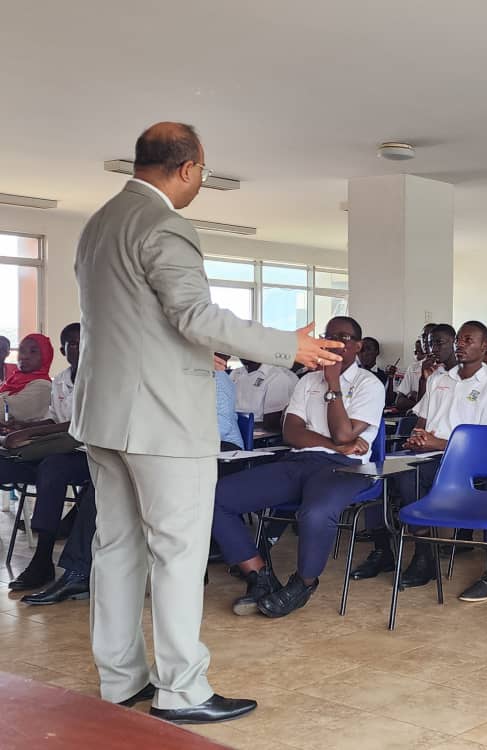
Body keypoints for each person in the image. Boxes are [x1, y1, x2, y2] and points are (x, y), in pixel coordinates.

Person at [71, 122, 339, 723]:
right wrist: (284, 346)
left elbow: (134, 322)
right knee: (178, 554)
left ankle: (120, 682)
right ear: (189, 168)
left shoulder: (99, 224)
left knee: (115, 548)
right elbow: (193, 315)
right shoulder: (165, 224)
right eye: (204, 173)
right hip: (162, 420)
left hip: (104, 414)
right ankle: (183, 691)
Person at [212, 316, 384, 618]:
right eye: (329, 336)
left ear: (357, 345)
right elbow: (291, 432)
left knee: (315, 512)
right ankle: (259, 575)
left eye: (343, 337)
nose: (335, 342)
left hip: (348, 468)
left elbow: (345, 434)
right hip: (301, 460)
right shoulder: (307, 380)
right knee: (216, 498)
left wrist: (333, 383)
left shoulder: (369, 384)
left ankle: (303, 583)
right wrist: (332, 443)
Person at [374, 321, 487, 590]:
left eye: (469, 340)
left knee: (410, 476)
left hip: (467, 462)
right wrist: (419, 435)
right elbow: (422, 419)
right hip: (430, 454)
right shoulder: (438, 378)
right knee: (381, 472)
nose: (460, 344)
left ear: (485, 348)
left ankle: (427, 557)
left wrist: (437, 443)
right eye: (459, 338)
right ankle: (393, 553)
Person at [6, 324, 89, 591]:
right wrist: (22, 428)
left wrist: (35, 431)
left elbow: (81, 424)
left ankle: (42, 559)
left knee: (53, 468)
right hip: (59, 449)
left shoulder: (100, 378)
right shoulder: (62, 379)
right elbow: (55, 416)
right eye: (71, 345)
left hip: (88, 454)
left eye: (82, 342)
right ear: (64, 351)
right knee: (9, 464)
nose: (77, 348)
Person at [0, 333, 54, 427]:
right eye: (21, 351)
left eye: (33, 351)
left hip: (21, 439)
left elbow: (7, 413)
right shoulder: (13, 380)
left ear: (45, 355)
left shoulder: (43, 386)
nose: (24, 356)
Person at [229, 357, 298, 430]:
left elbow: (272, 424)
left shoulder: (277, 376)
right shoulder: (236, 372)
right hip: (230, 427)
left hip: (255, 433)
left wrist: (240, 426)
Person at [394, 323, 436, 412]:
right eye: (423, 337)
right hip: (417, 416)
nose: (425, 340)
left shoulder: (447, 367)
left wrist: (415, 399)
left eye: (430, 336)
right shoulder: (413, 368)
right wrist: (420, 405)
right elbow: (399, 402)